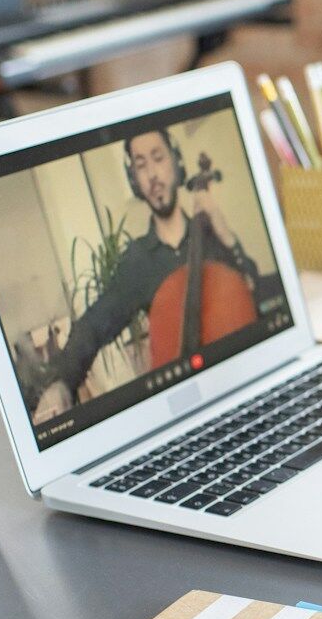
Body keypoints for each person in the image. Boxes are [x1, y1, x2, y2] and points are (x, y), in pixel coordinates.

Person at [33, 129, 267, 423]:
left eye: (158, 158)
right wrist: (61, 382)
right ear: (134, 180)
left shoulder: (214, 238)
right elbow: (93, 325)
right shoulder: (138, 261)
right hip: (187, 410)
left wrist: (226, 235)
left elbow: (259, 296)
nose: (152, 174)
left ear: (176, 163)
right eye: (141, 165)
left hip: (247, 382)